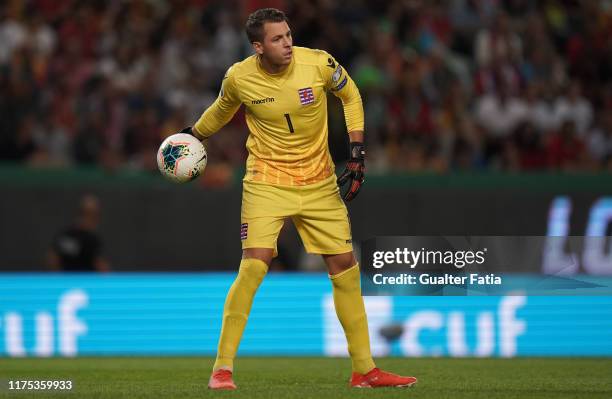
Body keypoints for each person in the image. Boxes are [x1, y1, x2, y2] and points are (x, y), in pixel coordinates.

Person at [181, 8, 417, 389]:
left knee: (345, 266)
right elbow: (223, 108)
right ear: (258, 46)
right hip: (267, 181)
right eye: (277, 38)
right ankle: (221, 369)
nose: (287, 43)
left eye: (288, 34)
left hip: (319, 181)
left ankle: (364, 371)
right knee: (255, 264)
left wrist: (356, 152)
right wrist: (194, 133)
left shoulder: (318, 63)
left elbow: (351, 94)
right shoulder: (240, 77)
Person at [47, 194, 110, 272]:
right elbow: (53, 259)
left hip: (67, 282)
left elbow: (52, 259)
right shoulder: (90, 239)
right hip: (86, 282)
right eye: (95, 215)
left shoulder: (65, 235)